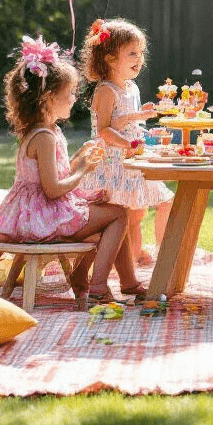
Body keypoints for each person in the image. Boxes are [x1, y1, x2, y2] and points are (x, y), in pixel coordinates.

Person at [0, 35, 147, 307]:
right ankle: (97, 286)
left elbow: (51, 176)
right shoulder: (44, 137)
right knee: (119, 215)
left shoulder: (47, 131)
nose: (74, 99)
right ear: (47, 100)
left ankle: (111, 281)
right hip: (43, 217)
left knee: (110, 207)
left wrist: (77, 158)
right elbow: (52, 190)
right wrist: (84, 170)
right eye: (69, 94)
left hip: (37, 213)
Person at [77, 18, 173, 265]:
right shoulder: (106, 90)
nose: (139, 59)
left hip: (132, 160)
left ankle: (165, 252)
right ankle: (132, 258)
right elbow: (104, 130)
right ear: (110, 59)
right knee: (131, 215)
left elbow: (126, 121)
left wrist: (140, 116)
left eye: (140, 53)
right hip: (113, 164)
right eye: (132, 53)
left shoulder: (131, 88)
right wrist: (128, 145)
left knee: (154, 205)